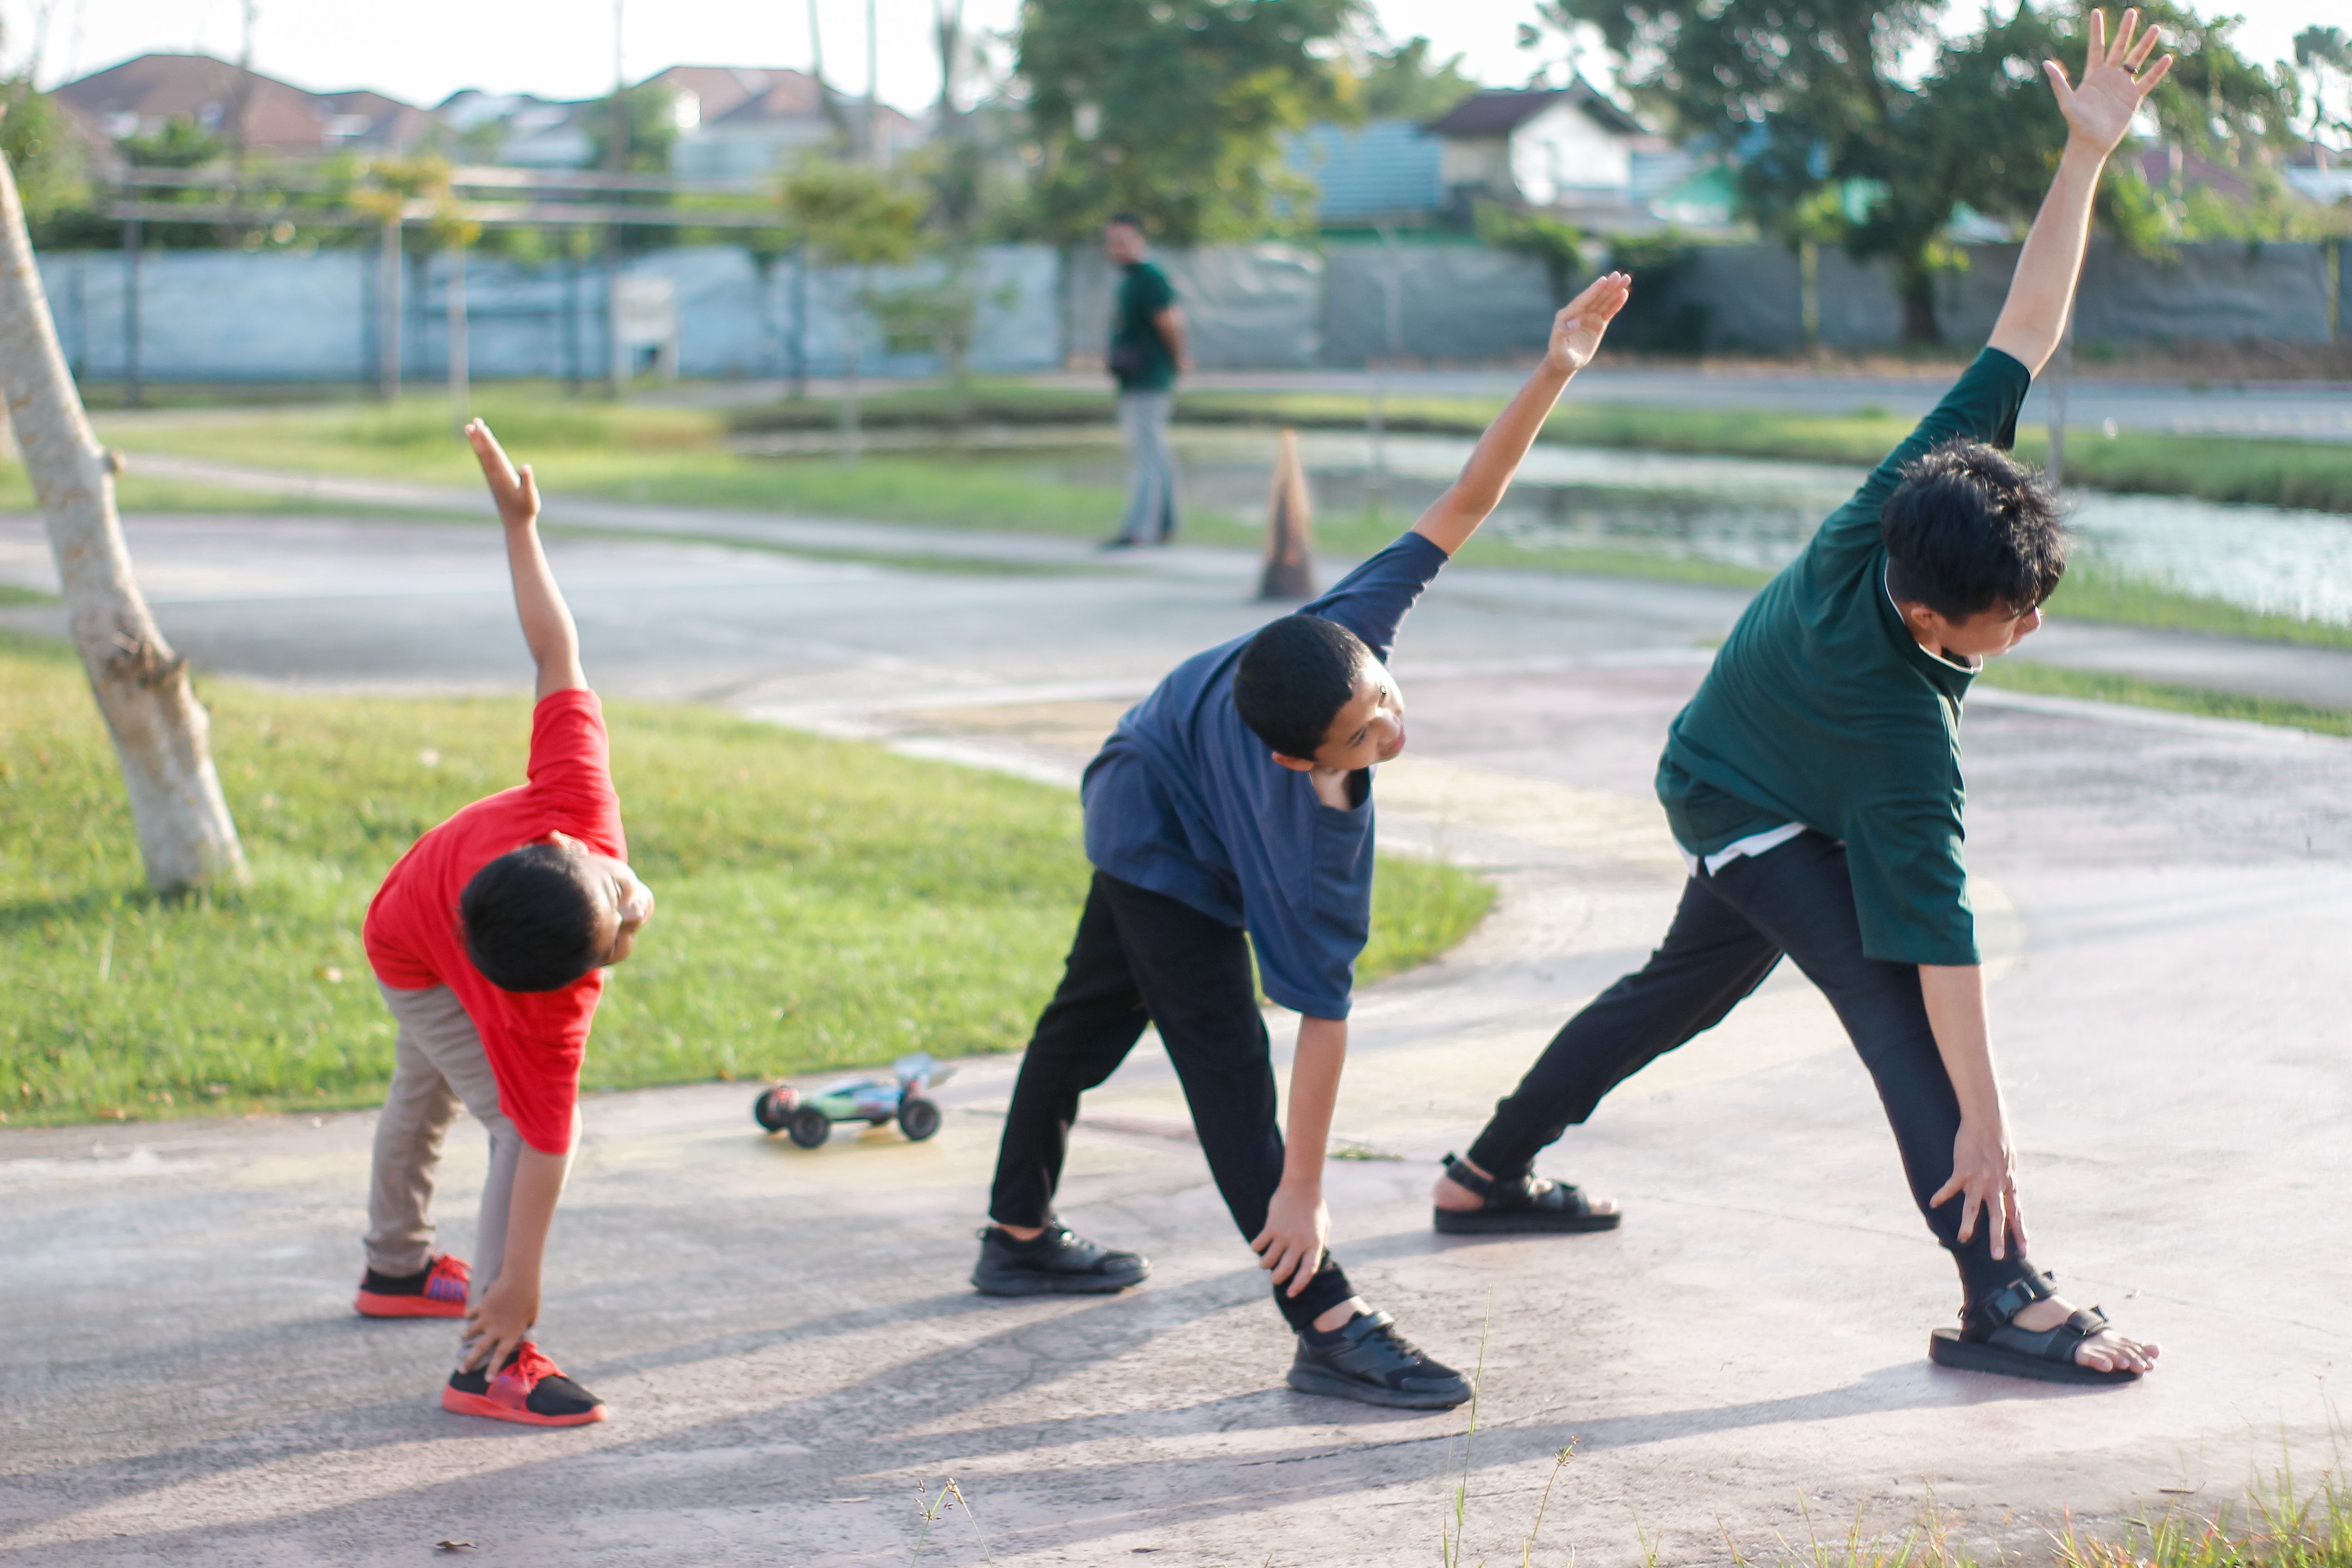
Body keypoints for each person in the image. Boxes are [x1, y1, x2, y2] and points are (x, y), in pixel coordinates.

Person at [1430, 12, 2173, 1387]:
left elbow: (2027, 324)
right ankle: (2001, 1296)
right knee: (1891, 1014)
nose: (2028, 629)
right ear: (1926, 612)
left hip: (1753, 763)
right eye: (2008, 621)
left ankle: (1487, 1171)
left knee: (1676, 997)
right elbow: (1940, 963)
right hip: (1740, 795)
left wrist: (2085, 159)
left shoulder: (1916, 493)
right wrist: (1991, 1136)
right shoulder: (1902, 741)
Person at [972, 273, 1636, 1409]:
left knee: (1088, 1013)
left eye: (1379, 698)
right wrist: (1302, 1195)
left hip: (1154, 753)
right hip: (1150, 817)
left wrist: (1555, 366)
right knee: (1220, 1057)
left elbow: (1466, 499)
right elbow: (1316, 1025)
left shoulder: (1342, 634)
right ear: (1303, 760)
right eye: (1361, 735)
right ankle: (1323, 1316)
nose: (1390, 723)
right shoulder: (1305, 837)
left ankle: (1015, 1229)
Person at [352, 419, 655, 1427]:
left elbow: (553, 642)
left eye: (597, 869)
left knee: (424, 1079)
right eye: (616, 896)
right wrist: (519, 1282)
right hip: (410, 948)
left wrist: (518, 525)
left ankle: (394, 1266)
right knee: (507, 1133)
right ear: (591, 964)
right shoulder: (551, 1020)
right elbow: (543, 1154)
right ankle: (490, 1361)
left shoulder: (572, 794)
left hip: (425, 906)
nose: (611, 871)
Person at [1102, 212, 1189, 549]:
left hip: (1150, 378)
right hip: (1134, 379)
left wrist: (1178, 360)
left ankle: (1140, 530)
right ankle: (1166, 525)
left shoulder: (1151, 278)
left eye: (1124, 241)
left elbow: (1170, 322)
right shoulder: (1130, 280)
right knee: (1157, 454)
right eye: (1112, 243)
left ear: (1140, 241)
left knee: (1146, 457)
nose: (1117, 249)